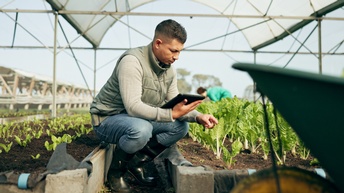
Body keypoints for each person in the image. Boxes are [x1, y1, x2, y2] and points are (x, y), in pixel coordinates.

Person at [89, 19, 218, 192]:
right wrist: (170, 114)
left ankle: (136, 163)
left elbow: (175, 100)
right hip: (107, 119)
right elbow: (133, 106)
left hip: (133, 119)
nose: (176, 57)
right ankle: (116, 173)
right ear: (158, 43)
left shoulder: (169, 69)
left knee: (180, 126)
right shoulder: (132, 61)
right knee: (141, 129)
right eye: (173, 51)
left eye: (180, 52)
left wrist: (198, 116)